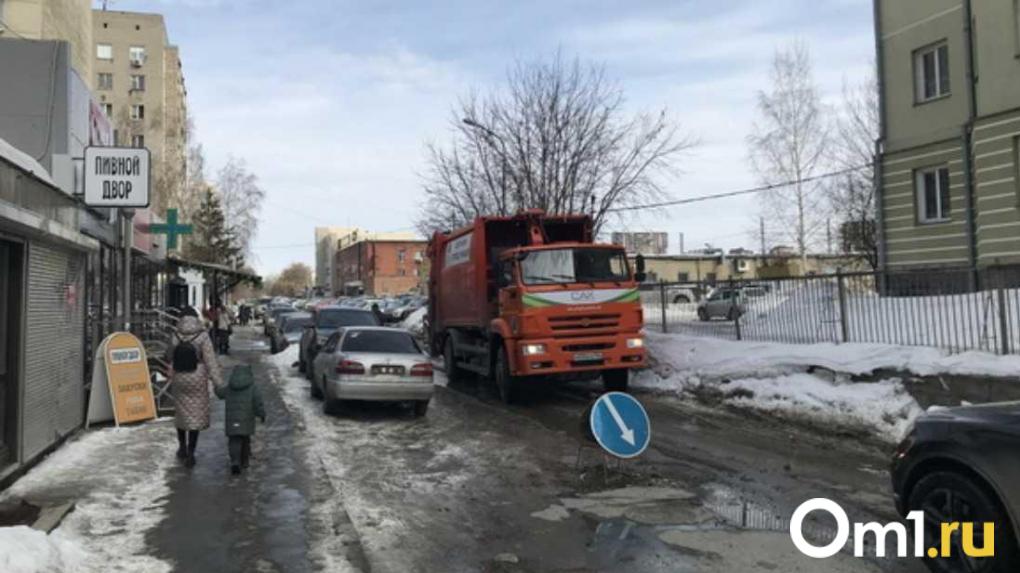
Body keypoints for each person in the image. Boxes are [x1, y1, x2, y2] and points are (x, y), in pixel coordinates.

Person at [168, 306, 223, 468]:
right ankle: (191, 453)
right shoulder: (203, 335)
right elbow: (211, 362)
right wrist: (218, 383)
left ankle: (182, 448)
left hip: (179, 377)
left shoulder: (175, 334)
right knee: (195, 415)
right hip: (197, 378)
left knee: (181, 414)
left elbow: (169, 355)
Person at [215, 364, 265, 475]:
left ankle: (235, 461)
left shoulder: (229, 387)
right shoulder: (253, 388)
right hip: (246, 420)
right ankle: (245, 461)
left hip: (232, 420)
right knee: (245, 440)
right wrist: (261, 414)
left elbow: (220, 394)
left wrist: (216, 386)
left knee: (234, 441)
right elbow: (258, 403)